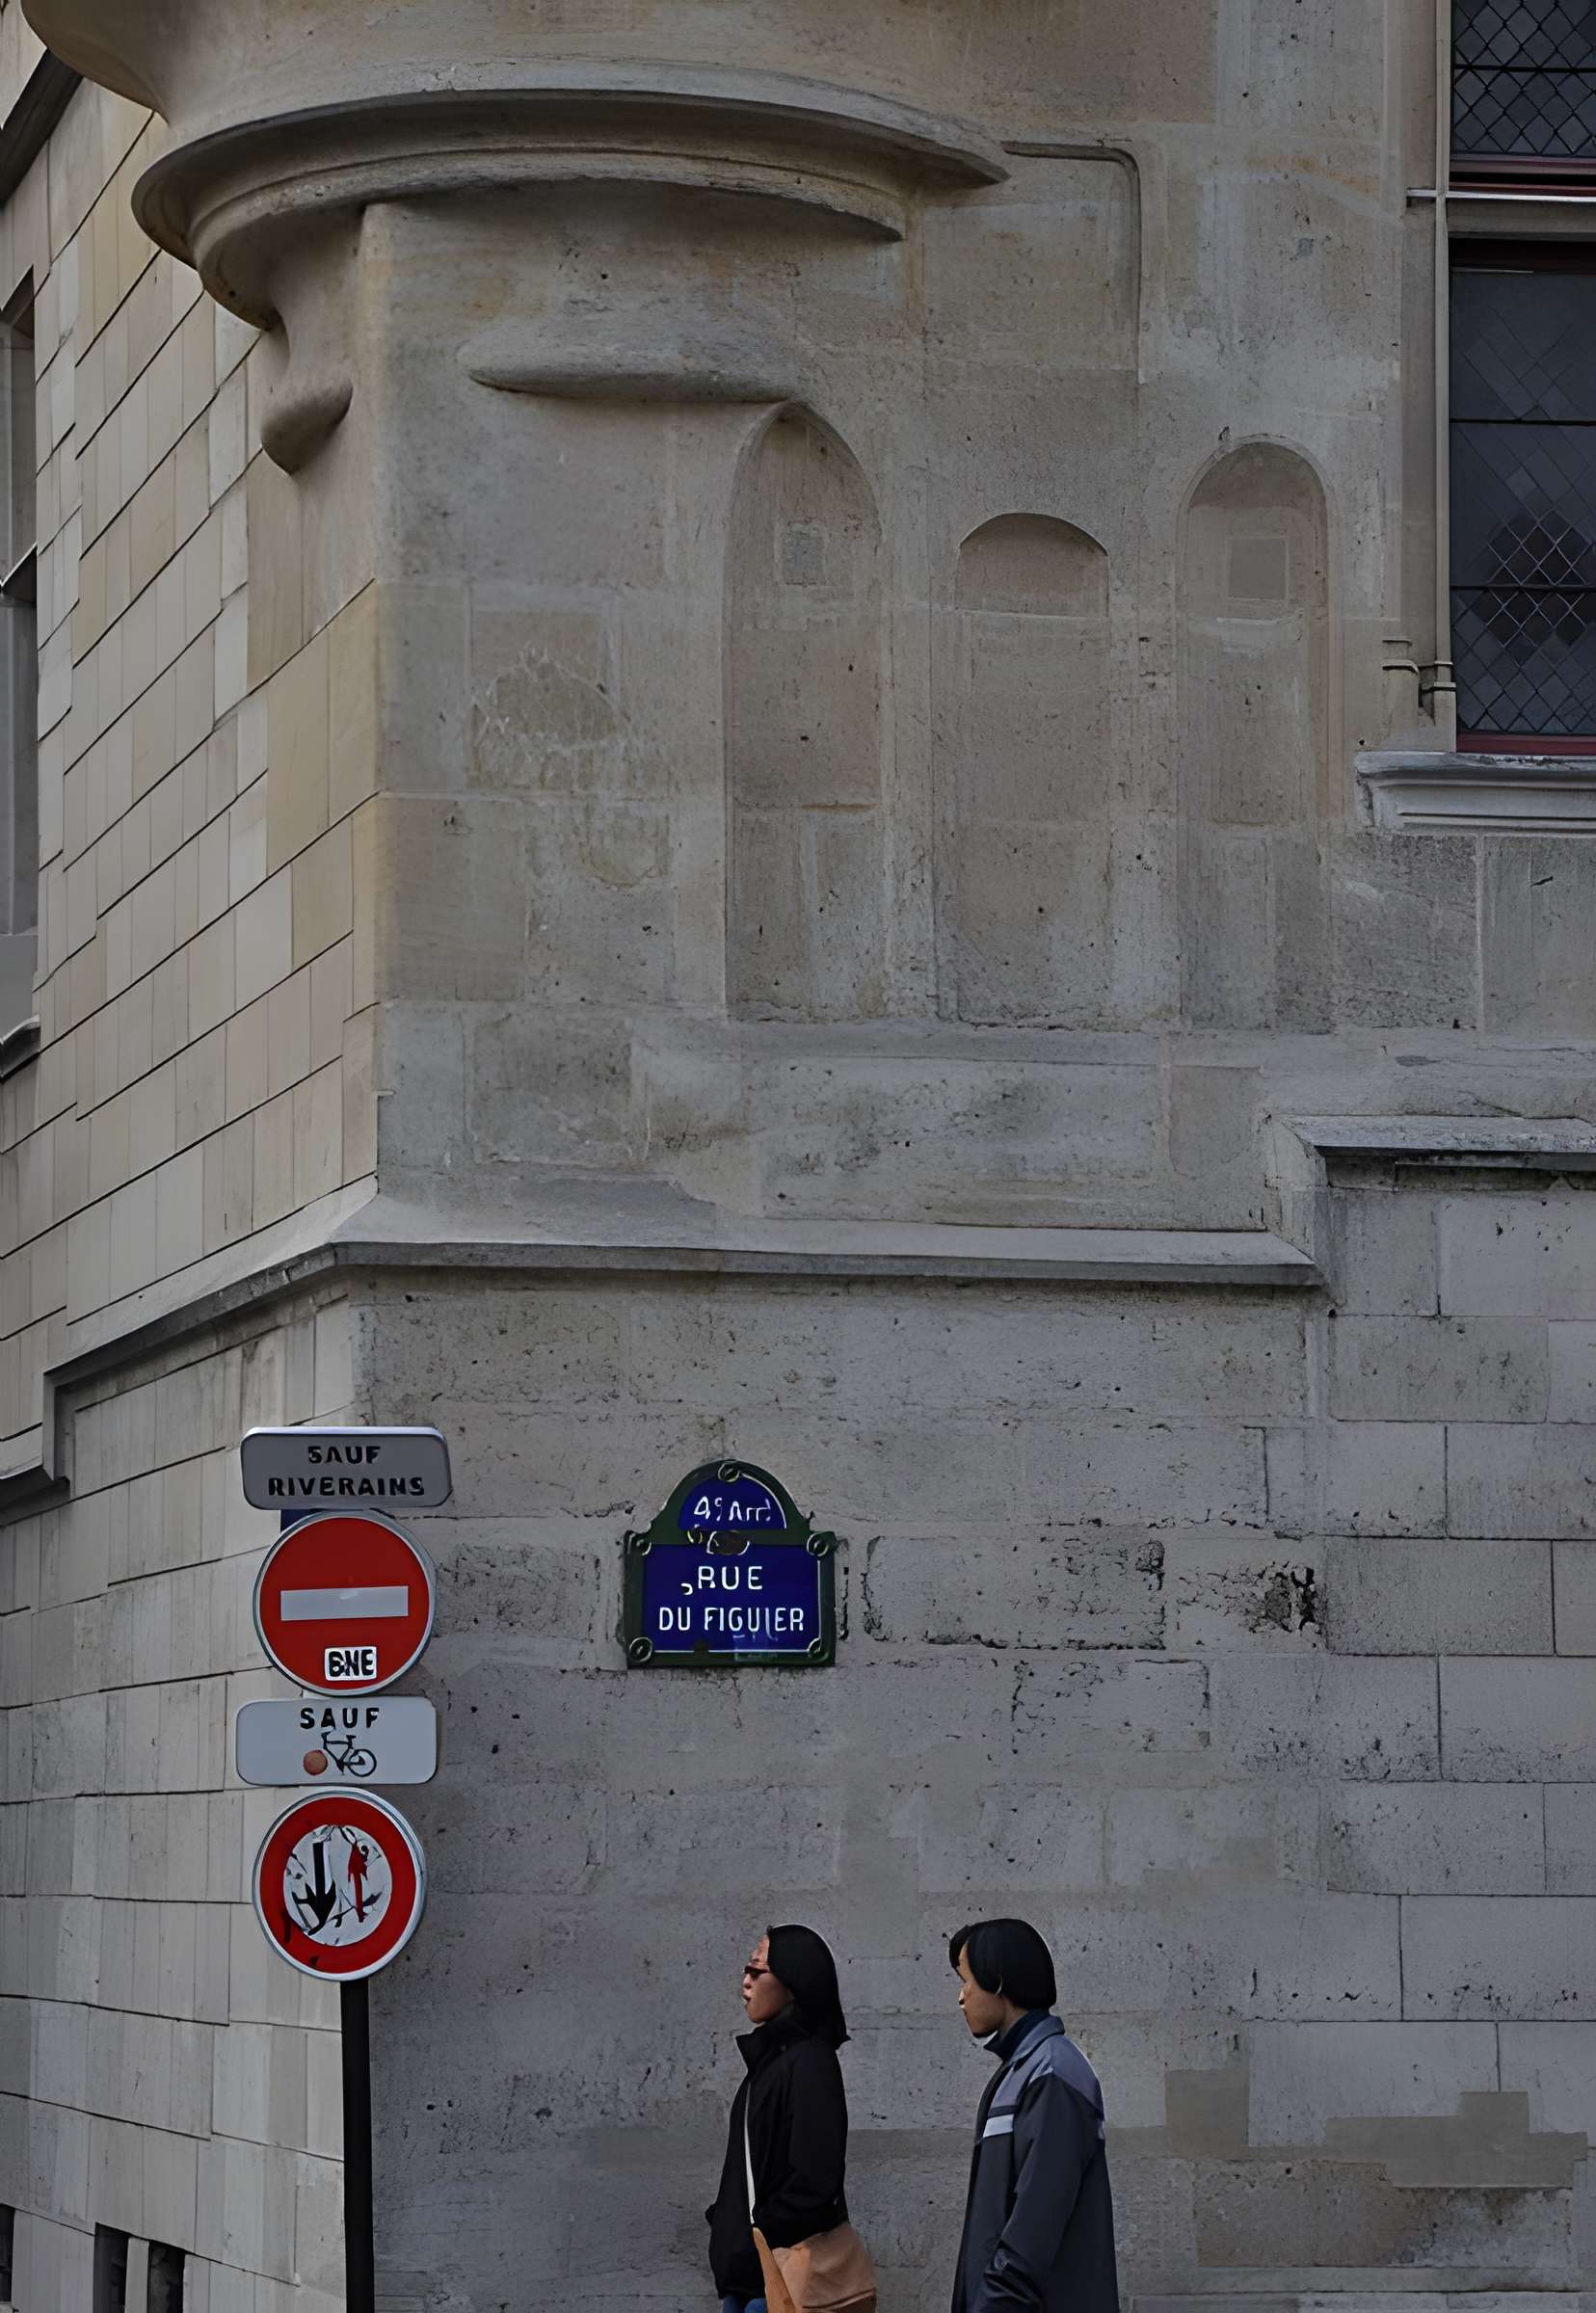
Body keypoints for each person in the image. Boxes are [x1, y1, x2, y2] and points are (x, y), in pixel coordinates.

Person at [948, 1918, 1118, 2313]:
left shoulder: (1052, 2074)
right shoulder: (1023, 2070)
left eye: (966, 1980)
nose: (961, 1997)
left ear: (1000, 1982)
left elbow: (1030, 2237)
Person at [707, 1924, 856, 2313]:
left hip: (778, 2282)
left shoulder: (809, 2061)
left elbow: (815, 2181)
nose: (745, 1983)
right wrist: (727, 2223)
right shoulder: (770, 2063)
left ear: (794, 1981)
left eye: (757, 1970)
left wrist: (756, 2229)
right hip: (749, 2282)